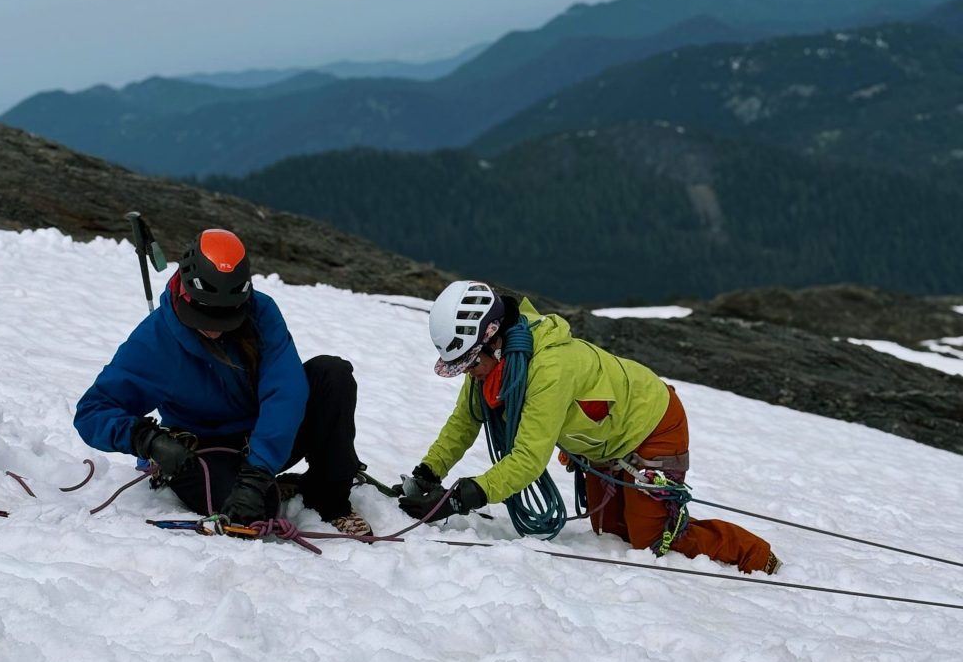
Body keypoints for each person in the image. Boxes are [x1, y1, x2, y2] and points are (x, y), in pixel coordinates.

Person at [397, 280, 780, 574]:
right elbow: (465, 420)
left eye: (470, 364)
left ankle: (756, 555)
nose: (469, 374)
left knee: (651, 541)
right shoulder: (492, 365)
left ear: (493, 339)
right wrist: (428, 472)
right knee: (609, 531)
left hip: (653, 424)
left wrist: (463, 497)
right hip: (603, 438)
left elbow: (528, 460)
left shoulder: (548, 368)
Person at [75, 228, 372, 537]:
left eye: (226, 317)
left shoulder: (261, 312)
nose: (215, 330)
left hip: (264, 436)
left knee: (332, 374)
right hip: (198, 453)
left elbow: (285, 391)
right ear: (186, 294)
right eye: (205, 316)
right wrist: (147, 440)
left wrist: (257, 472)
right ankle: (266, 488)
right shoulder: (156, 339)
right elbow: (93, 411)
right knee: (255, 512)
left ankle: (328, 499)